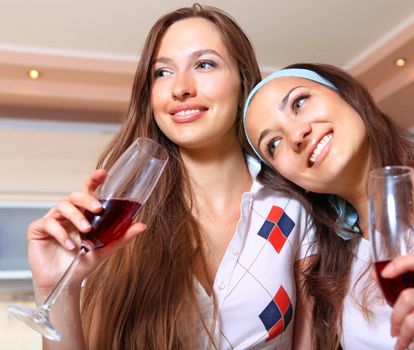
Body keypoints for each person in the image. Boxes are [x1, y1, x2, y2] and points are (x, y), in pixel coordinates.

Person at [28, 5, 315, 349]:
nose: (180, 88)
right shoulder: (123, 224)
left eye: (204, 64)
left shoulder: (294, 209)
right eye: (162, 72)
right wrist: (57, 288)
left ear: (244, 84)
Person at [243, 63, 414, 349]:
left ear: (347, 95)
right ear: (292, 181)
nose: (296, 135)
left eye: (299, 102)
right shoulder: (332, 280)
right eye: (274, 144)